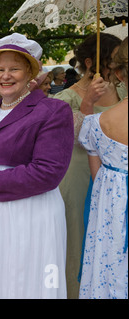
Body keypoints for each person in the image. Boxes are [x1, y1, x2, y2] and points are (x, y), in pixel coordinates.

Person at [0, 33, 74, 298]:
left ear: (30, 73)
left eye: (14, 69)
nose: (5, 76)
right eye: (0, 69)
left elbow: (48, 172)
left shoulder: (53, 111)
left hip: (30, 213)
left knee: (27, 282)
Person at [53, 33, 124, 299]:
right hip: (80, 173)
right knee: (80, 235)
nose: (117, 65)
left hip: (118, 177)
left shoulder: (123, 88)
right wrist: (88, 103)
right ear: (91, 62)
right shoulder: (65, 99)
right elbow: (76, 139)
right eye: (113, 58)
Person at [78, 37, 128, 299]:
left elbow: (97, 179)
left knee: (112, 270)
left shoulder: (95, 124)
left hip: (113, 213)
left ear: (119, 73)